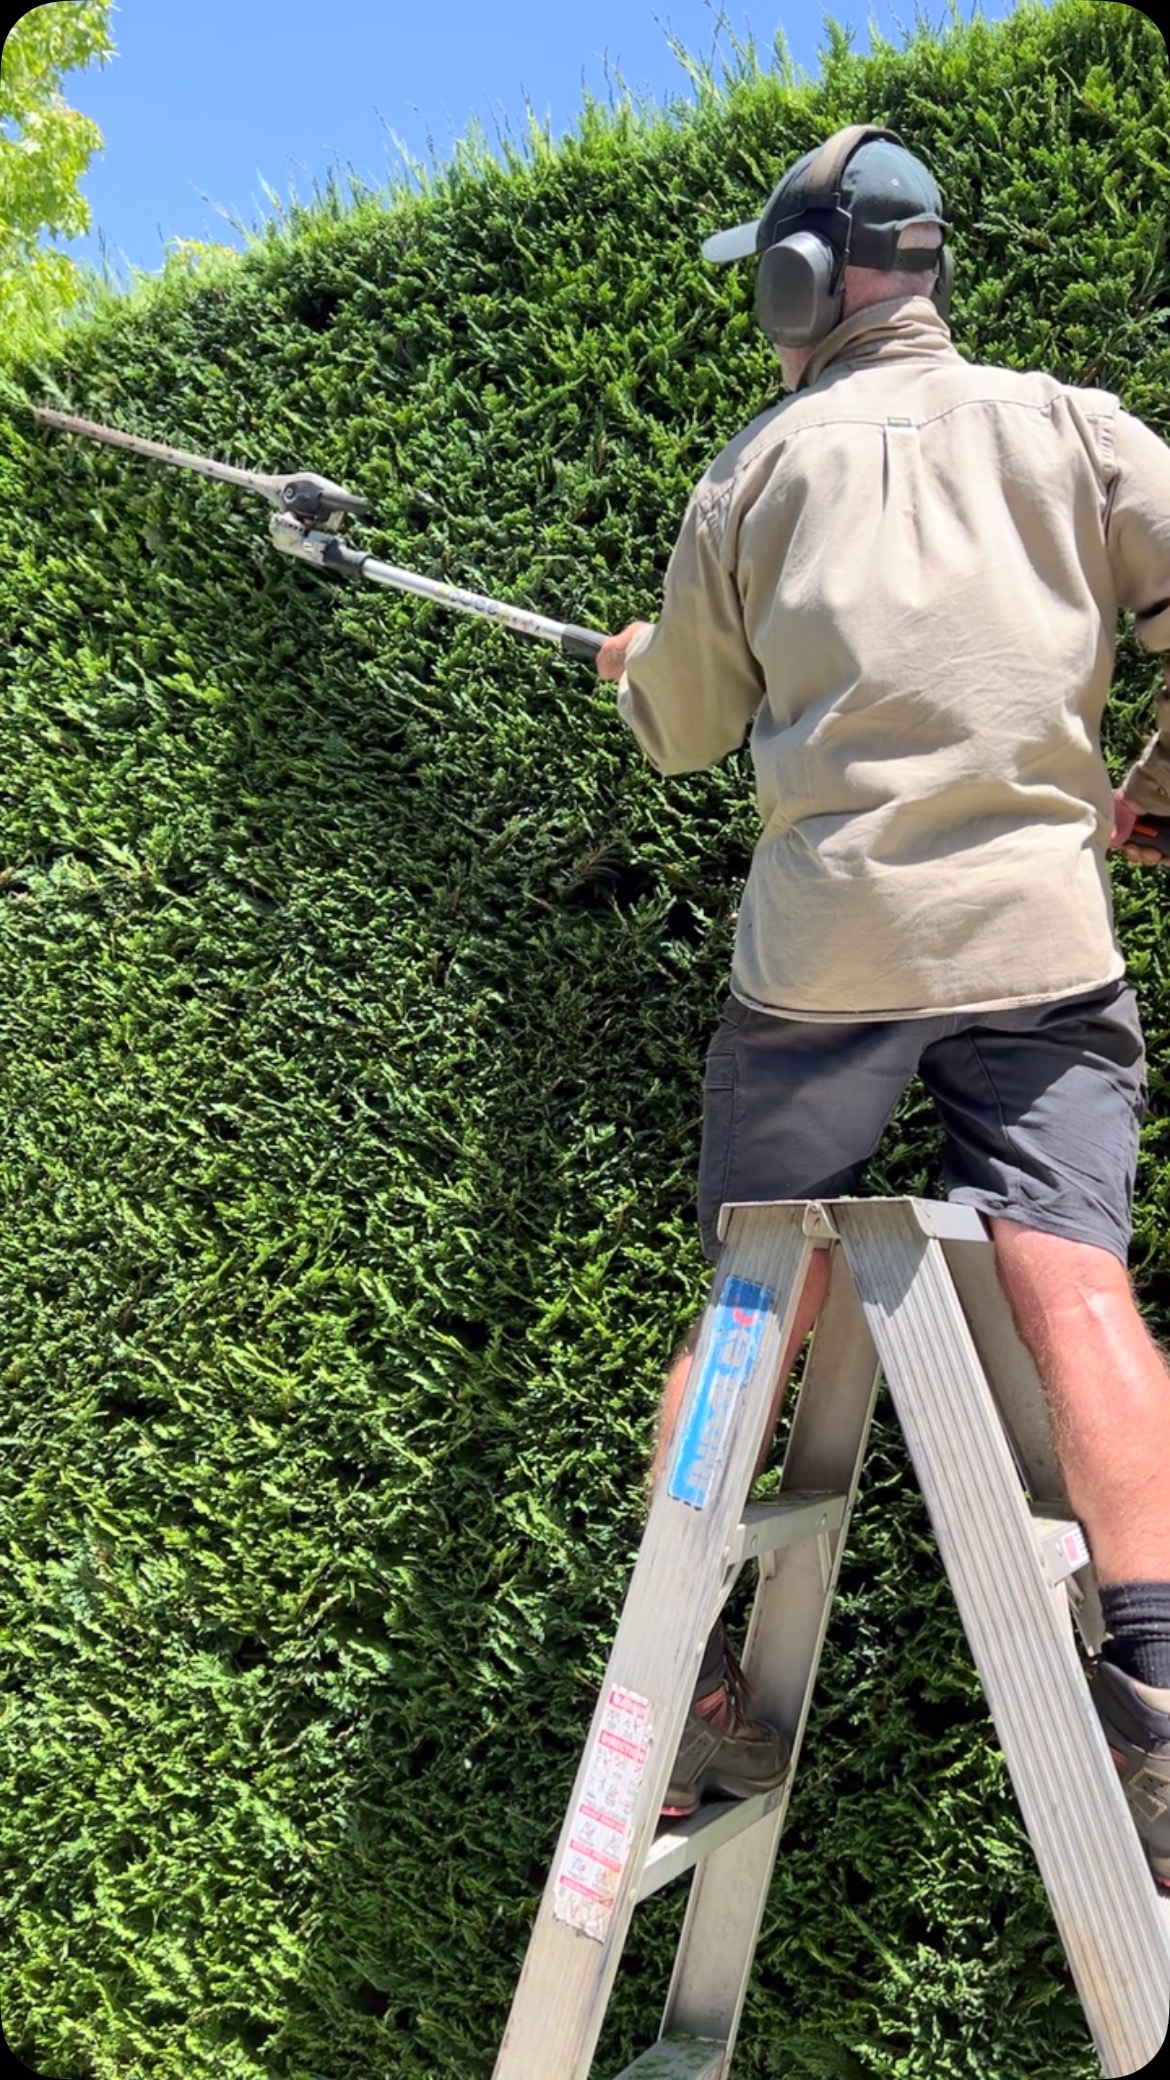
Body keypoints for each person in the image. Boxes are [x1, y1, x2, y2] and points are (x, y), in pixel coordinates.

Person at [596, 126, 1170, 1893]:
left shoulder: (751, 474)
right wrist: (1149, 776)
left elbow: (684, 733)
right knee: (1074, 1276)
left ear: (798, 286)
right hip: (1037, 935)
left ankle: (695, 1687)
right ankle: (1155, 1688)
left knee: (759, 1282)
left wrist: (637, 669)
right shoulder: (1079, 430)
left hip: (821, 959)